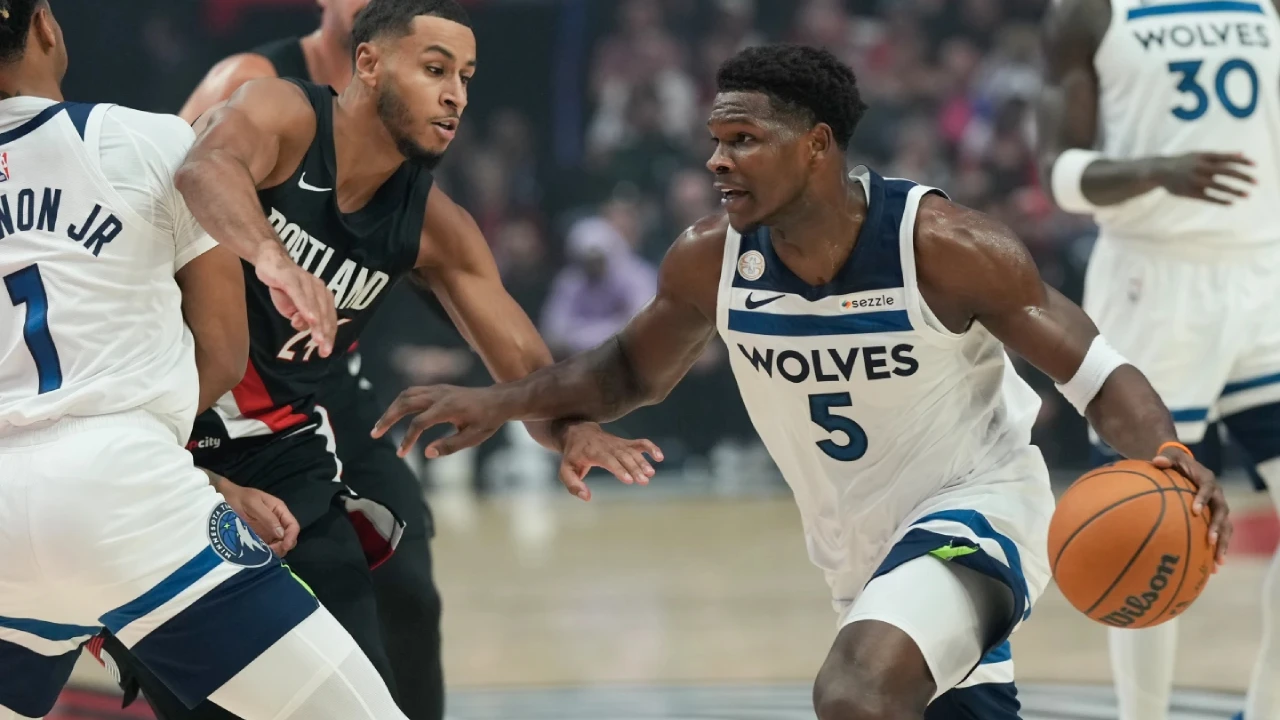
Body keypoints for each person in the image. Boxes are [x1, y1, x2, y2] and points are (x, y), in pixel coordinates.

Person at [372, 44, 1234, 719]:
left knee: (856, 692)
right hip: (853, 549)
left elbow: (1092, 369)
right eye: (716, 142)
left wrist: (1166, 450)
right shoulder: (711, 259)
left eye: (743, 140)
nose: (717, 161)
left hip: (979, 509)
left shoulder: (942, 246)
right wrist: (502, 401)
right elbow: (627, 371)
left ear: (817, 146)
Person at [96, 1, 646, 719]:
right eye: (436, 70)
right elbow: (201, 169)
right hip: (161, 424)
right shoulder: (279, 106)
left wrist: (572, 431)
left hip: (284, 440)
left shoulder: (434, 223)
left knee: (379, 635)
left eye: (466, 77)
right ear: (369, 62)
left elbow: (526, 368)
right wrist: (274, 258)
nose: (456, 95)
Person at [0, 1, 409, 719]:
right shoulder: (145, 137)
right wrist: (185, 477)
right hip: (128, 492)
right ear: (44, 26)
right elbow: (221, 351)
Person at [174, 2, 449, 718]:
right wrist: (272, 257)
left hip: (326, 390)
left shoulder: (414, 127)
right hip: (218, 385)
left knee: (408, 585)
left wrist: (550, 411)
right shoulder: (256, 81)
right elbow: (166, 203)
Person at [1038, 2, 1280, 718]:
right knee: (1147, 523)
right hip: (1154, 282)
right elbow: (1057, 172)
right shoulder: (1088, 10)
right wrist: (1153, 170)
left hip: (1263, 273)